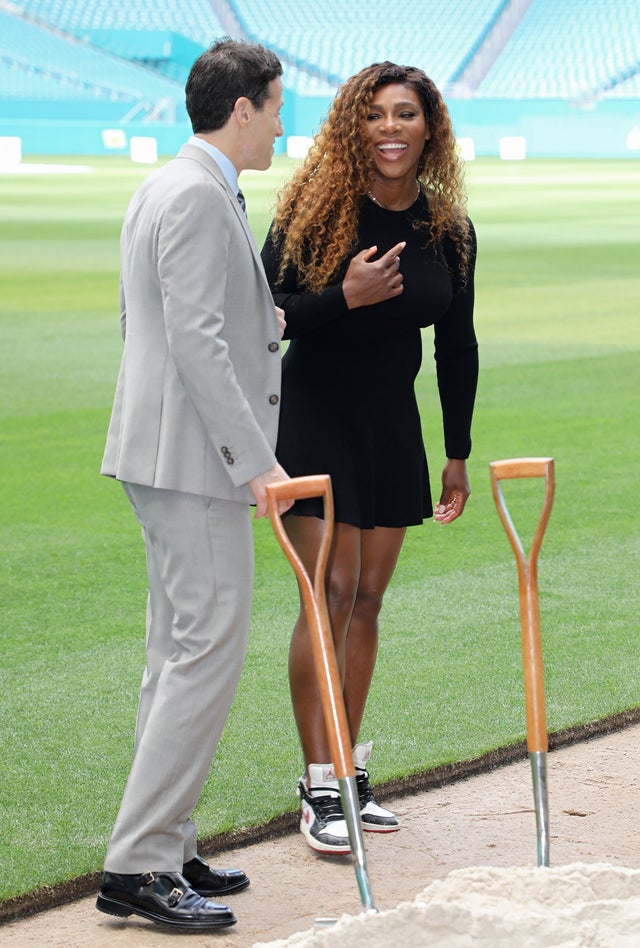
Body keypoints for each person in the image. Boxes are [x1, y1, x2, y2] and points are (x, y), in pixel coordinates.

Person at [96, 38, 291, 932]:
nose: (282, 123)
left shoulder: (168, 185)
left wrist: (276, 322)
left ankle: (163, 844)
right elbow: (196, 343)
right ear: (241, 108)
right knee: (205, 652)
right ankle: (140, 861)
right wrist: (257, 462)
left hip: (160, 452)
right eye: (277, 106)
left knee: (173, 653)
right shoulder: (197, 195)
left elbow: (158, 320)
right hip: (195, 464)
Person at [261, 61, 478, 855]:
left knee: (369, 601)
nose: (390, 128)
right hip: (311, 419)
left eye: (405, 114)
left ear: (429, 128)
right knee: (330, 593)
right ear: (355, 128)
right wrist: (341, 299)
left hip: (392, 427)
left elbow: (457, 346)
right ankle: (317, 785)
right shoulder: (313, 214)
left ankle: (350, 773)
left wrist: (456, 451)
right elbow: (263, 317)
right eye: (374, 116)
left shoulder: (448, 230)